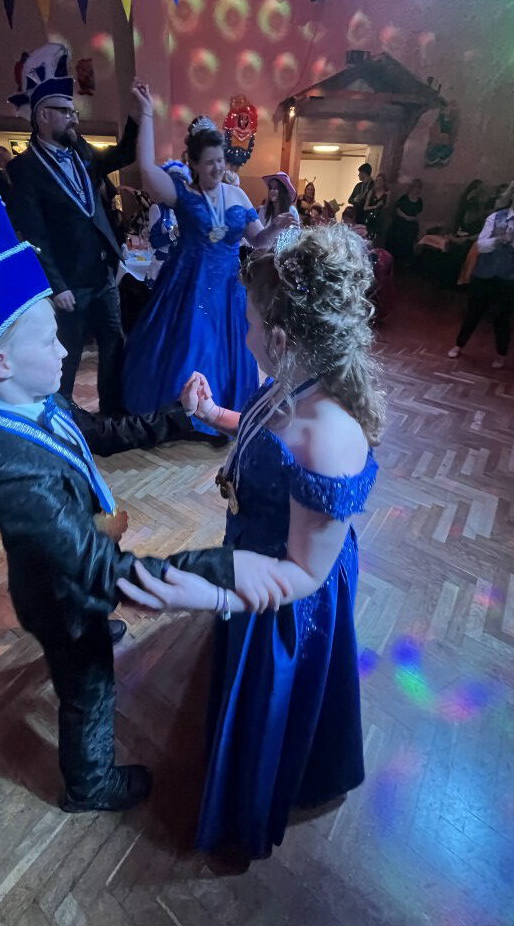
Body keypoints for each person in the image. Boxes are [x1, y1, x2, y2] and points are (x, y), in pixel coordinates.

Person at [0, 178, 295, 814]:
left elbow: (100, 434)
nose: (65, 348)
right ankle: (90, 784)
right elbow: (89, 562)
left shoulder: (36, 399)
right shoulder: (2, 466)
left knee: (88, 637)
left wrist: (177, 417)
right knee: (89, 687)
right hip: (61, 593)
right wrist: (207, 573)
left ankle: (94, 632)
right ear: (0, 363)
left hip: (74, 575)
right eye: (50, 340)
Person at [118, 222, 383, 859]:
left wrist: (209, 595)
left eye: (250, 324)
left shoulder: (328, 437)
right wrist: (213, 416)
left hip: (286, 591)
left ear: (282, 339)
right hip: (255, 559)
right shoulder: (295, 381)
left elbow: (303, 575)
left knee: (271, 697)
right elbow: (266, 430)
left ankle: (267, 788)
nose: (244, 335)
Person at [122, 87, 295, 437]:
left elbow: (257, 241)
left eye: (220, 160)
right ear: (195, 164)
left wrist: (275, 227)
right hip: (188, 285)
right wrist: (147, 114)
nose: (217, 167)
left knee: (226, 347)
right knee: (190, 344)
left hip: (230, 287)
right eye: (209, 162)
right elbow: (146, 169)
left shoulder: (238, 195)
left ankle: (219, 412)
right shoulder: (183, 195)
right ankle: (183, 415)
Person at [7, 42, 138, 413]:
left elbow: (123, 155)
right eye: (66, 112)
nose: (74, 120)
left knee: (114, 345)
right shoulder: (24, 169)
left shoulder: (80, 151)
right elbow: (34, 235)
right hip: (70, 283)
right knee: (67, 353)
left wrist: (137, 115)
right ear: (43, 115)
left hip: (102, 275)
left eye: (73, 111)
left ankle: (112, 413)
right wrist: (57, 285)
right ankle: (59, 418)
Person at [448, 176, 514, 369]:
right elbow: (481, 244)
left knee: (503, 317)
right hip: (486, 271)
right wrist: (497, 240)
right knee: (473, 312)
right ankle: (458, 344)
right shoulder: (497, 216)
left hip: (513, 275)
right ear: (513, 191)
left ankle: (501, 354)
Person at [387, 177, 423, 267]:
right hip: (400, 224)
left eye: (418, 187)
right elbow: (398, 209)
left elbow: (418, 214)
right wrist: (406, 217)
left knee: (408, 243)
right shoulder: (404, 198)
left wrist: (413, 219)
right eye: (415, 187)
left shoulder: (419, 201)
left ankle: (404, 263)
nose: (416, 189)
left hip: (411, 226)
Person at [363, 172, 390, 243]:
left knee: (378, 238)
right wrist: (375, 206)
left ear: (384, 182)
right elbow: (365, 207)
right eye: (377, 180)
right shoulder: (372, 192)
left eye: (380, 180)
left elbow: (387, 205)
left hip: (380, 218)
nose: (378, 182)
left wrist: (382, 206)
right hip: (370, 217)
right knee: (368, 237)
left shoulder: (387, 192)